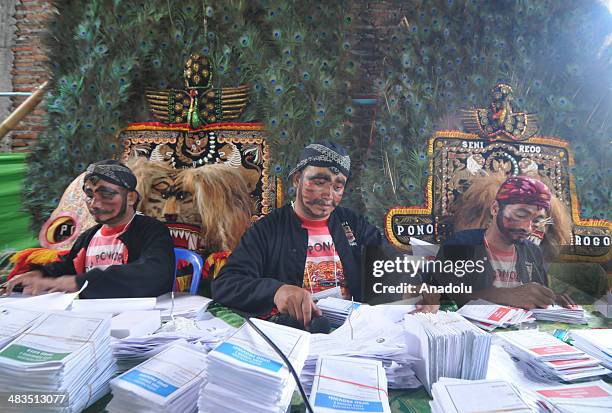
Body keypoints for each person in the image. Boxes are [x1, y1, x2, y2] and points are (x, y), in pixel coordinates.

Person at [213, 141, 435, 328]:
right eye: (319, 182)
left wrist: (415, 285)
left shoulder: (353, 224)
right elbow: (227, 283)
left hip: (356, 332)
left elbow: (390, 265)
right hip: (296, 334)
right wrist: (276, 291)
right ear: (297, 179)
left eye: (338, 186)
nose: (329, 194)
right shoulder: (268, 230)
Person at [3, 160, 175, 298]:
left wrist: (77, 282)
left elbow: (153, 273)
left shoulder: (151, 231)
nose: (94, 204)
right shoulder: (89, 236)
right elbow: (66, 267)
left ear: (130, 198)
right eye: (90, 194)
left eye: (106, 194)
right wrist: (39, 274)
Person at [430, 175, 574, 309]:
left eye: (537, 221)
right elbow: (445, 299)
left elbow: (535, 295)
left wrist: (549, 300)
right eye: (520, 215)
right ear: (495, 209)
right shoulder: (460, 244)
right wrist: (506, 295)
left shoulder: (533, 251)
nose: (528, 228)